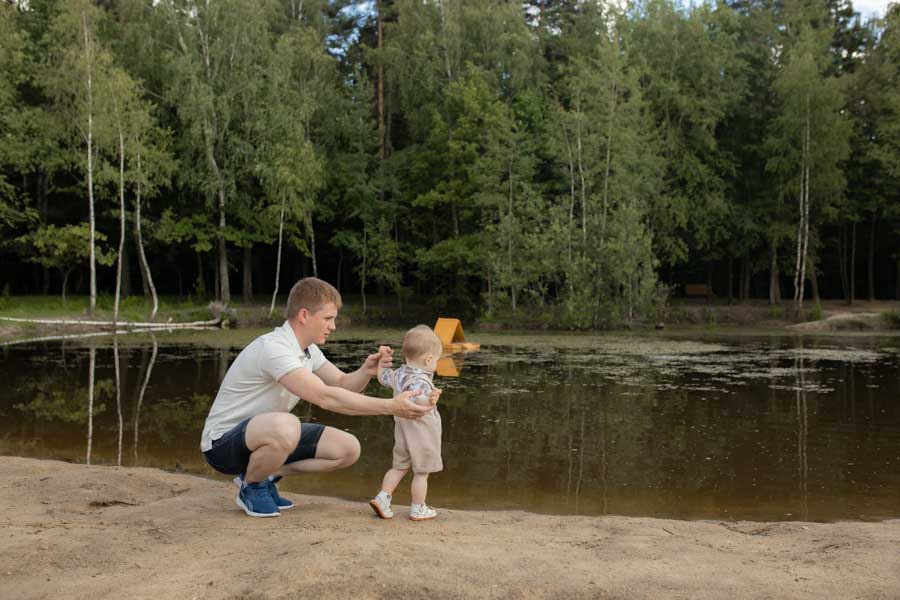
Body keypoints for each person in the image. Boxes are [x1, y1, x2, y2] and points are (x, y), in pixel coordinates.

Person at [200, 277, 439, 518]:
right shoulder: (274, 348)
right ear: (304, 315)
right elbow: (325, 397)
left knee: (347, 449)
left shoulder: (308, 350)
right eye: (328, 318)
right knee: (287, 426)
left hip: (263, 435)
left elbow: (341, 384)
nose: (333, 326)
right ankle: (251, 486)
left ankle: (264, 474)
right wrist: (392, 406)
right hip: (223, 444)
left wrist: (366, 371)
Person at [369, 325, 444, 521]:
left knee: (399, 466)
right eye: (436, 360)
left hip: (402, 428)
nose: (436, 364)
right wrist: (432, 399)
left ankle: (383, 498)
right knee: (422, 471)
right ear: (428, 359)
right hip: (422, 431)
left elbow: (382, 377)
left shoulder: (399, 373)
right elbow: (419, 403)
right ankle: (418, 507)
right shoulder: (421, 380)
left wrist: (383, 360)